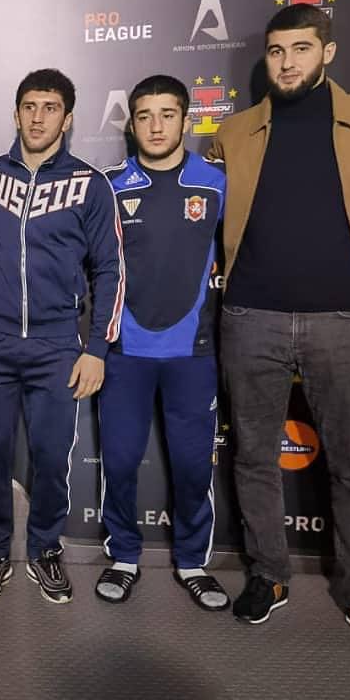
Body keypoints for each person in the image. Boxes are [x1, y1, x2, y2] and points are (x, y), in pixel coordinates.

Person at [209, 4, 350, 657]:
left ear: (328, 52)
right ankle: (268, 574)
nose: (287, 62)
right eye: (276, 50)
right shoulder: (234, 132)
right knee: (254, 457)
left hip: (342, 318)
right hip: (250, 316)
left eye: (300, 48)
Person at [0, 69, 124, 604]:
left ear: (68, 118)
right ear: (16, 114)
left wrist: (97, 348)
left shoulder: (90, 184)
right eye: (29, 107)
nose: (38, 118)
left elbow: (110, 269)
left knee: (52, 457)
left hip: (57, 343)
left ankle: (44, 549)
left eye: (50, 107)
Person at [95, 75, 228, 610]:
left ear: (186, 119)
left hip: (192, 353)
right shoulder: (110, 185)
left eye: (167, 114)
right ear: (131, 124)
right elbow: (78, 256)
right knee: (120, 462)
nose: (156, 126)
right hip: (125, 354)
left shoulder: (215, 182)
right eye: (145, 116)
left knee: (194, 466)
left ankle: (193, 562)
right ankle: (123, 556)